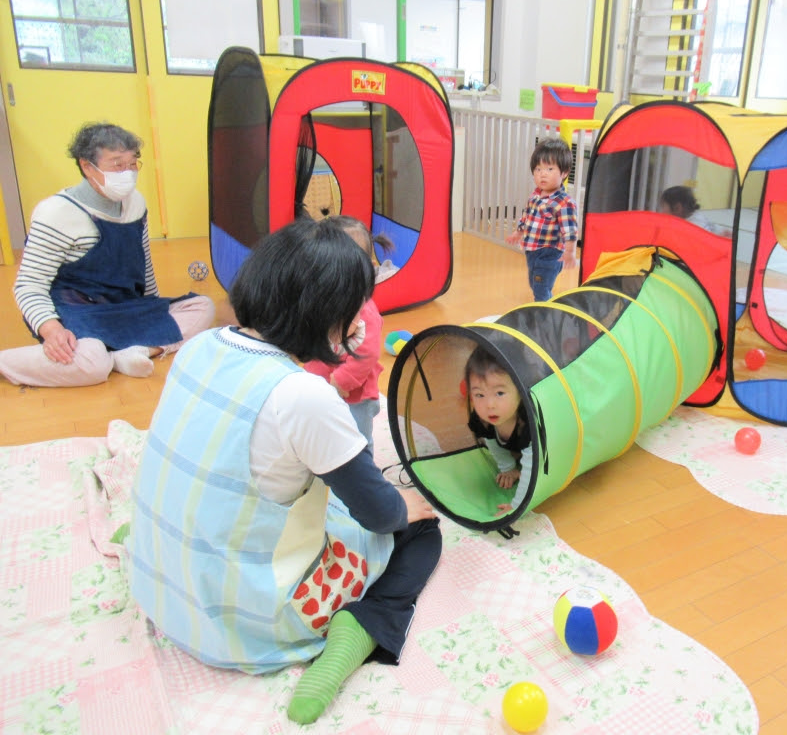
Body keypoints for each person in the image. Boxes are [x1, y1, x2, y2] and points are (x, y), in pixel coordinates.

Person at [126, 217, 441, 725]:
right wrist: (402, 507)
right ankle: (362, 630)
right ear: (328, 316)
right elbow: (380, 514)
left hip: (160, 588)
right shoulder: (304, 396)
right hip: (242, 622)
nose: (359, 323)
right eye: (352, 311)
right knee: (421, 530)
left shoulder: (202, 345)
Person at [0, 122, 215, 387]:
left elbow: (143, 265)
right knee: (92, 363)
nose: (128, 173)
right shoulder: (55, 213)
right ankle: (7, 362)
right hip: (76, 311)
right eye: (117, 165)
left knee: (203, 306)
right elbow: (29, 285)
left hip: (122, 305)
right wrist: (51, 328)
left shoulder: (136, 203)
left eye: (133, 163)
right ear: (87, 166)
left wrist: (151, 311)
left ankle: (135, 351)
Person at [304, 215, 392, 456]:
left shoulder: (365, 312)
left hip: (354, 396)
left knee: (357, 439)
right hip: (320, 387)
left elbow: (366, 354)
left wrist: (339, 383)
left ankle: (362, 469)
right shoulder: (321, 302)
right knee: (324, 434)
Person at [505, 137, 578, 301]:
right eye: (538, 169)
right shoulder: (535, 195)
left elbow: (570, 232)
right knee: (534, 283)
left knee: (541, 287)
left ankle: (544, 311)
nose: (542, 174)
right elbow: (527, 216)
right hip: (532, 249)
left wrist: (570, 252)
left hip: (550, 253)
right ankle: (546, 302)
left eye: (550, 169)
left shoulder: (564, 203)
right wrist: (518, 232)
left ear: (564, 173)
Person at [465, 345, 533, 515]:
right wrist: (508, 468)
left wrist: (517, 506)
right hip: (518, 448)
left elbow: (534, 465)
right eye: (479, 395)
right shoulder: (483, 418)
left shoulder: (528, 422)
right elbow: (491, 440)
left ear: (520, 390)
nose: (490, 405)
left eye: (500, 393)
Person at [658, 185, 731, 237]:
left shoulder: (692, 226)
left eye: (663, 206)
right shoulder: (695, 216)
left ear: (677, 208)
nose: (661, 211)